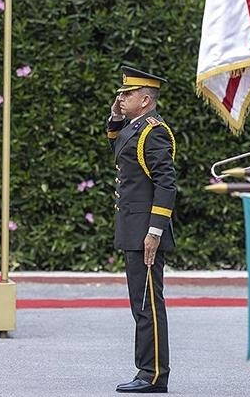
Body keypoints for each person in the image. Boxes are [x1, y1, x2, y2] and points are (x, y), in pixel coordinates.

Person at [107, 65, 176, 394]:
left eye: (128, 94)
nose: (121, 97)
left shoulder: (153, 132)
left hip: (145, 231)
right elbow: (119, 150)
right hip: (133, 228)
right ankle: (148, 370)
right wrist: (115, 118)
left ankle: (153, 374)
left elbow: (166, 184)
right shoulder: (135, 128)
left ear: (145, 100)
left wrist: (155, 231)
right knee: (141, 304)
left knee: (148, 305)